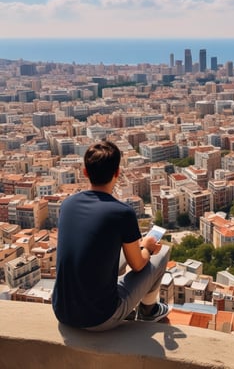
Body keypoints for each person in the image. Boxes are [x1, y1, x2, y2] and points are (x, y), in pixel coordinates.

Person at [52, 140, 171, 331]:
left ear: (85, 173)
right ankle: (149, 311)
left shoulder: (68, 204)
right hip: (99, 317)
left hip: (62, 310)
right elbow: (138, 265)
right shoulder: (122, 212)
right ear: (117, 173)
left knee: (118, 252)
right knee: (162, 253)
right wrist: (147, 247)